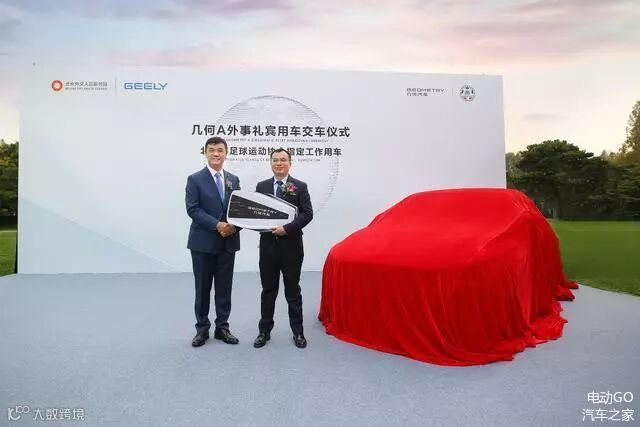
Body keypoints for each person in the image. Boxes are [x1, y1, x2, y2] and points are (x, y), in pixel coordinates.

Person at [253, 148, 313, 349]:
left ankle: (298, 332)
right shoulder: (261, 186)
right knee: (268, 290)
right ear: (271, 163)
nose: (279, 163)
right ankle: (264, 332)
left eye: (283, 160)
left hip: (291, 247)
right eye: (275, 160)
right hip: (268, 248)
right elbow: (255, 213)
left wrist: (286, 229)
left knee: (292, 291)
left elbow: (307, 214)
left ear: (290, 163)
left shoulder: (300, 186)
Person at [185, 136, 241, 347]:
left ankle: (222, 328)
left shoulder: (233, 179)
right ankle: (202, 329)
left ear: (226, 153)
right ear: (205, 153)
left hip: (228, 242)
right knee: (202, 288)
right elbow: (193, 209)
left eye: (220, 150)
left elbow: (239, 209)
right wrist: (217, 225)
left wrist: (233, 226)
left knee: (224, 288)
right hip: (203, 243)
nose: (216, 153)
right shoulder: (194, 179)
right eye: (211, 150)